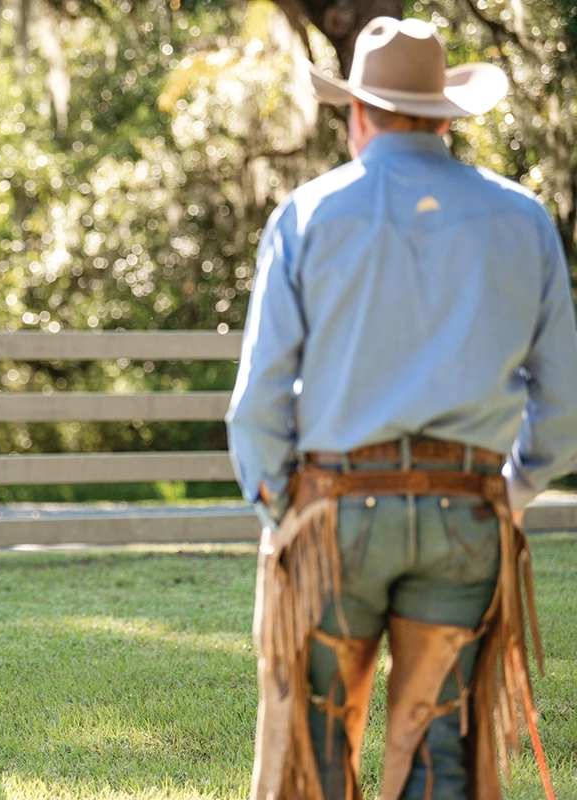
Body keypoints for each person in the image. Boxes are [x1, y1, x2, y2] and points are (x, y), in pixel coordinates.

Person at [226, 16, 577, 800]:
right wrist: (510, 493)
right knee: (442, 760)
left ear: (358, 114)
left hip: (333, 514)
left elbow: (256, 405)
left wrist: (282, 508)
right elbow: (563, 414)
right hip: (467, 516)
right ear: (446, 116)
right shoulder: (523, 221)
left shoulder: (308, 216)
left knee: (309, 760)